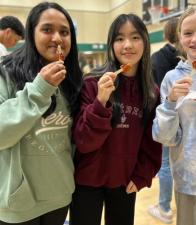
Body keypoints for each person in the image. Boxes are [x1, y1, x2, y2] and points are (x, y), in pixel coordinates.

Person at [70, 13, 162, 225]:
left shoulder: (151, 92)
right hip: (86, 181)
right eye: (119, 38)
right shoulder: (93, 83)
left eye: (135, 37)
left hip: (125, 181)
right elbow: (84, 141)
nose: (127, 45)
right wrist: (101, 101)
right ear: (111, 45)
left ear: (145, 42)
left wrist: (142, 174)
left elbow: (152, 141)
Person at [0, 2, 82, 225]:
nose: (57, 38)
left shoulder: (73, 80)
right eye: (47, 29)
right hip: (18, 202)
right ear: (31, 33)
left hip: (59, 194)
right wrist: (39, 89)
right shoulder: (5, 72)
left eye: (64, 32)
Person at [152, 3, 196, 225]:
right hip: (185, 181)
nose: (195, 39)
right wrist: (171, 102)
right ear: (179, 38)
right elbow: (165, 138)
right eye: (188, 33)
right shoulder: (172, 79)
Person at [148, 17, 180, 224]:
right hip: (180, 116)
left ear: (165, 34)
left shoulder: (157, 58)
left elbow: (153, 91)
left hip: (167, 116)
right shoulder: (185, 59)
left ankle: (164, 207)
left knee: (166, 164)